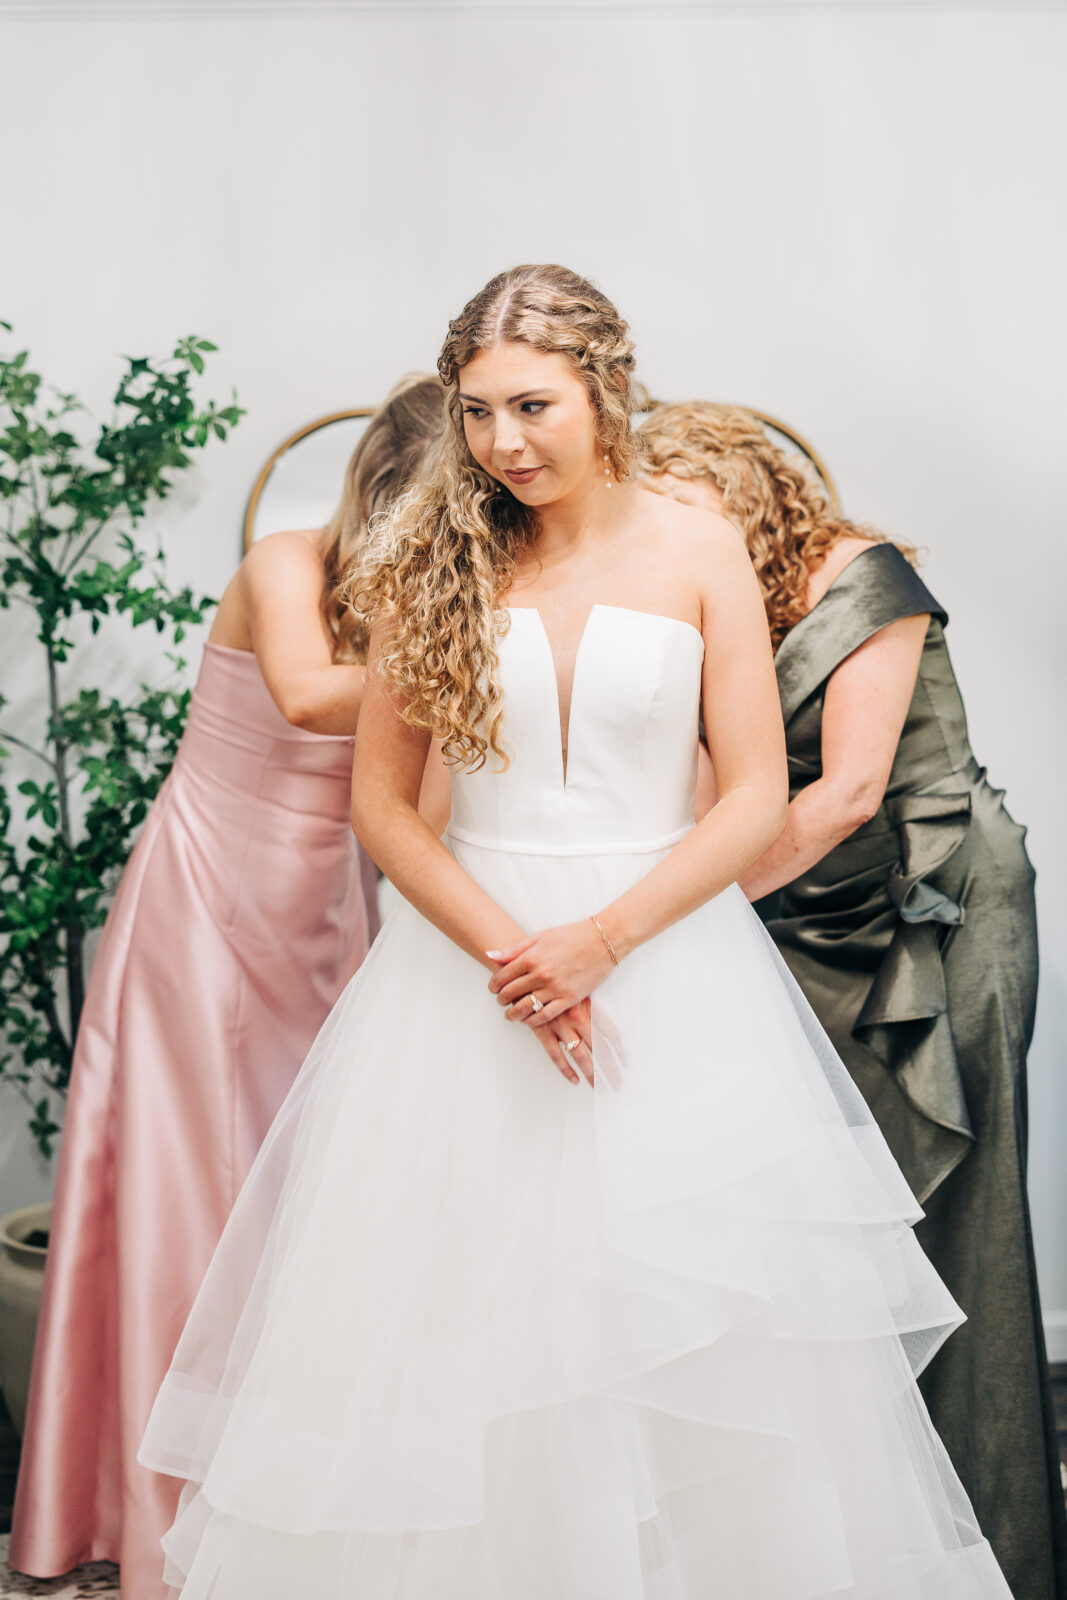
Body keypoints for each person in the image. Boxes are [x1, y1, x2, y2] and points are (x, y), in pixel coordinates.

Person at [139, 267, 1010, 1599]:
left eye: (532, 406)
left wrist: (599, 943)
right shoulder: (428, 547)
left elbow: (750, 800)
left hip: (669, 970)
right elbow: (384, 810)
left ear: (605, 389)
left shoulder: (695, 542)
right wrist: (515, 958)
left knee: (692, 1342)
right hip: (459, 985)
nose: (504, 444)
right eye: (478, 413)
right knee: (454, 1342)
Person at [10, 373, 447, 1600]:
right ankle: (156, 1520)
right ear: (391, 486)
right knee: (186, 1194)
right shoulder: (284, 562)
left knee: (305, 1206)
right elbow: (309, 696)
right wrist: (498, 651)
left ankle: (282, 1504)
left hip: (326, 909)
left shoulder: (416, 604)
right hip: (204, 901)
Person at [640, 398, 1066, 1600]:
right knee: (830, 1225)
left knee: (958, 1212)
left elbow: (844, 792)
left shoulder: (861, 578)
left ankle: (990, 1546)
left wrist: (668, 917)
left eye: (681, 508)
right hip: (799, 917)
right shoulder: (714, 603)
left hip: (940, 906)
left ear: (740, 495)